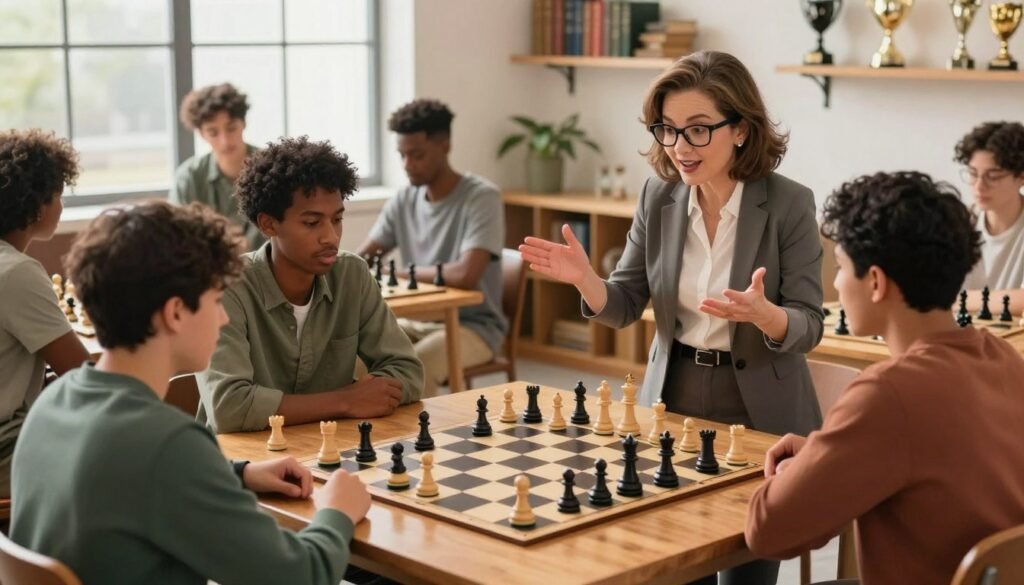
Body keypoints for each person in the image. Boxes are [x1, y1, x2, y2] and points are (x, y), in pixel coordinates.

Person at [520, 49, 825, 585]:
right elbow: (625, 303)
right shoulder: (658, 196)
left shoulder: (789, 204)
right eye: (668, 129)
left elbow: (809, 324)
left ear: (741, 130)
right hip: (672, 396)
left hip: (760, 412)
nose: (680, 147)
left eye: (699, 129)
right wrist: (587, 280)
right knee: (676, 568)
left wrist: (767, 316)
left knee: (748, 570)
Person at [10, 201, 371, 585]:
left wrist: (240, 473)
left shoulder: (55, 400)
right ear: (176, 313)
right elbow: (302, 576)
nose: (224, 317)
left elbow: (133, 477)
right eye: (216, 301)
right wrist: (337, 512)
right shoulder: (167, 443)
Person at [746, 171, 1024, 585]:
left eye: (841, 267)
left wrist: (803, 472)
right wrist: (829, 455)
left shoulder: (888, 394)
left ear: (875, 282)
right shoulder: (1002, 357)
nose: (836, 283)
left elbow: (768, 531)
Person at [197, 136, 424, 433]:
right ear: (268, 224)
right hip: (243, 457)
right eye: (312, 223)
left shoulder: (352, 275)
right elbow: (229, 407)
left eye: (337, 219)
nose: (331, 237)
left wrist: (364, 396)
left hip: (327, 448)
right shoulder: (227, 288)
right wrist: (346, 401)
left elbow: (408, 371)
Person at [358, 99, 506, 396]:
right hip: (415, 320)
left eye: (417, 155)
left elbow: (465, 275)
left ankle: (420, 429)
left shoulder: (482, 198)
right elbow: (363, 259)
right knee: (354, 358)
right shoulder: (404, 200)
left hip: (473, 328)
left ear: (445, 146)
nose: (407, 165)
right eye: (402, 155)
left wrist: (398, 273)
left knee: (417, 366)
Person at [0, 129, 90, 499]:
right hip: (6, 451)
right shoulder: (17, 272)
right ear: (37, 204)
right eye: (58, 196)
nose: (61, 207)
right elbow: (84, 374)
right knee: (124, 451)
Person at [171, 82, 263, 250]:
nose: (225, 141)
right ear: (201, 133)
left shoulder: (272, 167)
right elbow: (177, 237)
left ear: (243, 123)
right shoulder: (189, 177)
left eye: (231, 128)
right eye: (213, 132)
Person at [956, 121, 1024, 315]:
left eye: (993, 176)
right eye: (973, 174)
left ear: (1021, 177)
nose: (979, 186)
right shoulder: (959, 223)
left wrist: (955, 300)